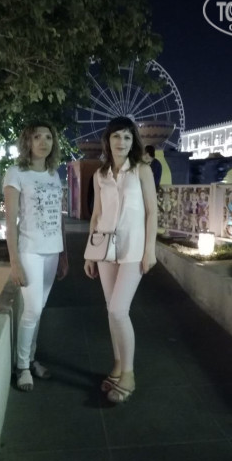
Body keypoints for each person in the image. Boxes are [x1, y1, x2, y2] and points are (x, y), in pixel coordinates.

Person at [84, 116, 157, 403]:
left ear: (133, 141)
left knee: (118, 310)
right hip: (105, 250)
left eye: (127, 137)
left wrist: (150, 250)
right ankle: (117, 366)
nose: (121, 142)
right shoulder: (100, 175)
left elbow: (151, 212)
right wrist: (89, 253)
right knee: (110, 309)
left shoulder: (141, 170)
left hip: (132, 250)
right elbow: (96, 215)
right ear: (108, 139)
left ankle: (129, 374)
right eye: (116, 136)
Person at [4, 122, 69, 392]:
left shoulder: (54, 174)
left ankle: (30, 359)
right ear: (27, 142)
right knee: (32, 310)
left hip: (53, 251)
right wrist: (15, 262)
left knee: (39, 308)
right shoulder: (16, 173)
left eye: (48, 137)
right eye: (37, 137)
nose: (43, 142)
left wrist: (64, 254)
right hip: (29, 251)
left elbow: (59, 218)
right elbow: (10, 222)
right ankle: (21, 367)